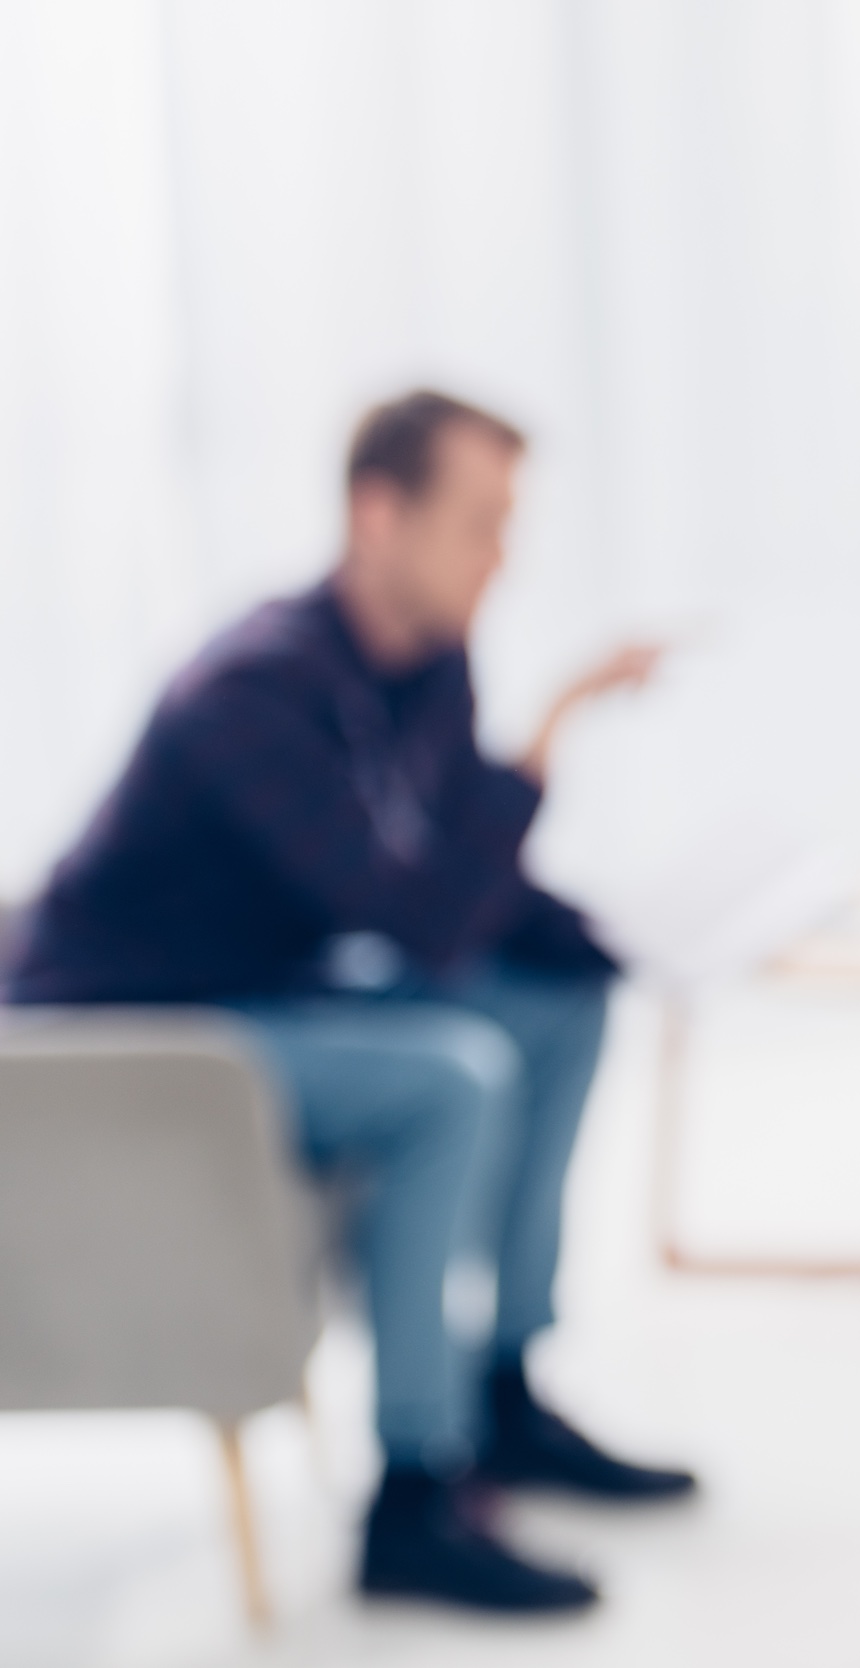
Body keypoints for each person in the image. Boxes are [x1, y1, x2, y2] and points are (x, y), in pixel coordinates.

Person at [3, 391, 692, 1613]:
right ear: (380, 515)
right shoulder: (249, 694)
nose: (501, 559)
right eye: (480, 524)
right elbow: (414, 916)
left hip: (264, 995)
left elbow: (466, 891)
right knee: (451, 1075)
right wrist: (549, 741)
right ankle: (413, 1493)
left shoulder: (425, 667)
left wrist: (609, 940)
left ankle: (503, 1387)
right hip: (127, 1037)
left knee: (556, 1008)